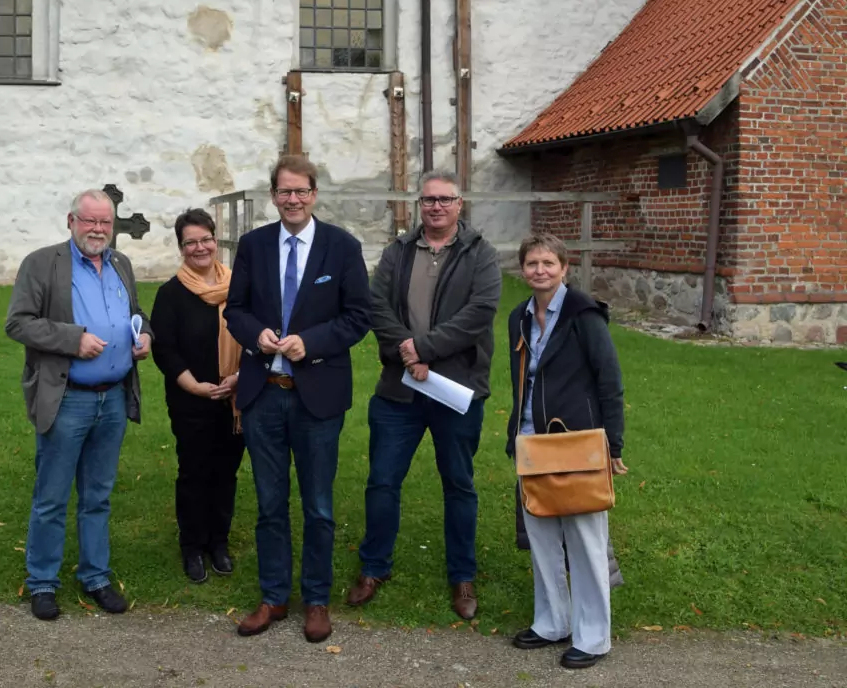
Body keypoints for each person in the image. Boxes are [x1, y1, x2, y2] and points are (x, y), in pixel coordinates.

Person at [223, 154, 371, 643]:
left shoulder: (342, 247)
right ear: (273, 196)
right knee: (269, 504)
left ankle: (316, 599)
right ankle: (273, 596)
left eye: (301, 191)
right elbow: (235, 310)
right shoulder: (254, 245)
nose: (293, 199)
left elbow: (358, 316)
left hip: (317, 397)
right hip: (263, 394)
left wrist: (313, 342)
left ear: (314, 194)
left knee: (318, 506)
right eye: (284, 191)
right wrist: (255, 336)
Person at [346, 169, 501, 620]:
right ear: (420, 205)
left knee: (459, 485)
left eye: (444, 199)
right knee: (382, 481)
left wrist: (425, 349)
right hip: (399, 389)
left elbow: (479, 313)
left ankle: (462, 576)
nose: (436, 207)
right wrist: (408, 352)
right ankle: (374, 567)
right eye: (429, 200)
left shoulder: (481, 253)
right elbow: (377, 306)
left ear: (459, 204)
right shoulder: (398, 251)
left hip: (455, 390)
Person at [5, 188, 152, 621]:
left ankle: (96, 576)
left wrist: (145, 336)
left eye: (105, 222)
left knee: (98, 496)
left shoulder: (121, 263)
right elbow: (18, 323)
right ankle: (42, 582)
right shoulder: (42, 263)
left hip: (113, 399)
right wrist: (74, 340)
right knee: (51, 496)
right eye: (90, 221)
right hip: (68, 398)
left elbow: (136, 313)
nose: (98, 229)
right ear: (71, 221)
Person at [505, 232, 628, 669]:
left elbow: (609, 379)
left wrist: (613, 444)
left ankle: (593, 637)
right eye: (532, 263)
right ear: (523, 269)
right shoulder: (519, 317)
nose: (540, 270)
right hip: (532, 443)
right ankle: (552, 622)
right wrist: (514, 435)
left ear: (564, 268)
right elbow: (522, 381)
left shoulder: (583, 314)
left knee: (585, 543)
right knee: (542, 540)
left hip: (577, 443)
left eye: (548, 263)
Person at [149, 208, 244, 584]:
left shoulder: (239, 287)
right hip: (191, 400)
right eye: (191, 242)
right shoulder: (171, 294)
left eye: (206, 239)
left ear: (216, 241)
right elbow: (165, 348)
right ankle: (191, 546)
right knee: (194, 473)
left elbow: (255, 335)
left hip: (235, 398)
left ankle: (218, 542)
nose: (200, 247)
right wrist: (193, 385)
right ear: (181, 247)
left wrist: (238, 379)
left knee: (226, 472)